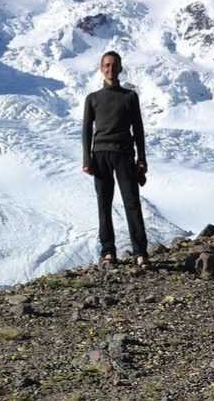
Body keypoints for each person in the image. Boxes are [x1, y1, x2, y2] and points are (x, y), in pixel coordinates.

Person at [81, 50, 149, 267]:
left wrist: (142, 159)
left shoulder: (130, 96)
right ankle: (108, 251)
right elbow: (86, 130)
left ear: (120, 68)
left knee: (132, 203)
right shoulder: (92, 99)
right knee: (104, 205)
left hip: (124, 153)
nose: (110, 69)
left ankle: (140, 252)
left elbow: (138, 129)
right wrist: (86, 159)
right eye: (106, 65)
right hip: (100, 155)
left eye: (114, 65)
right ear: (102, 69)